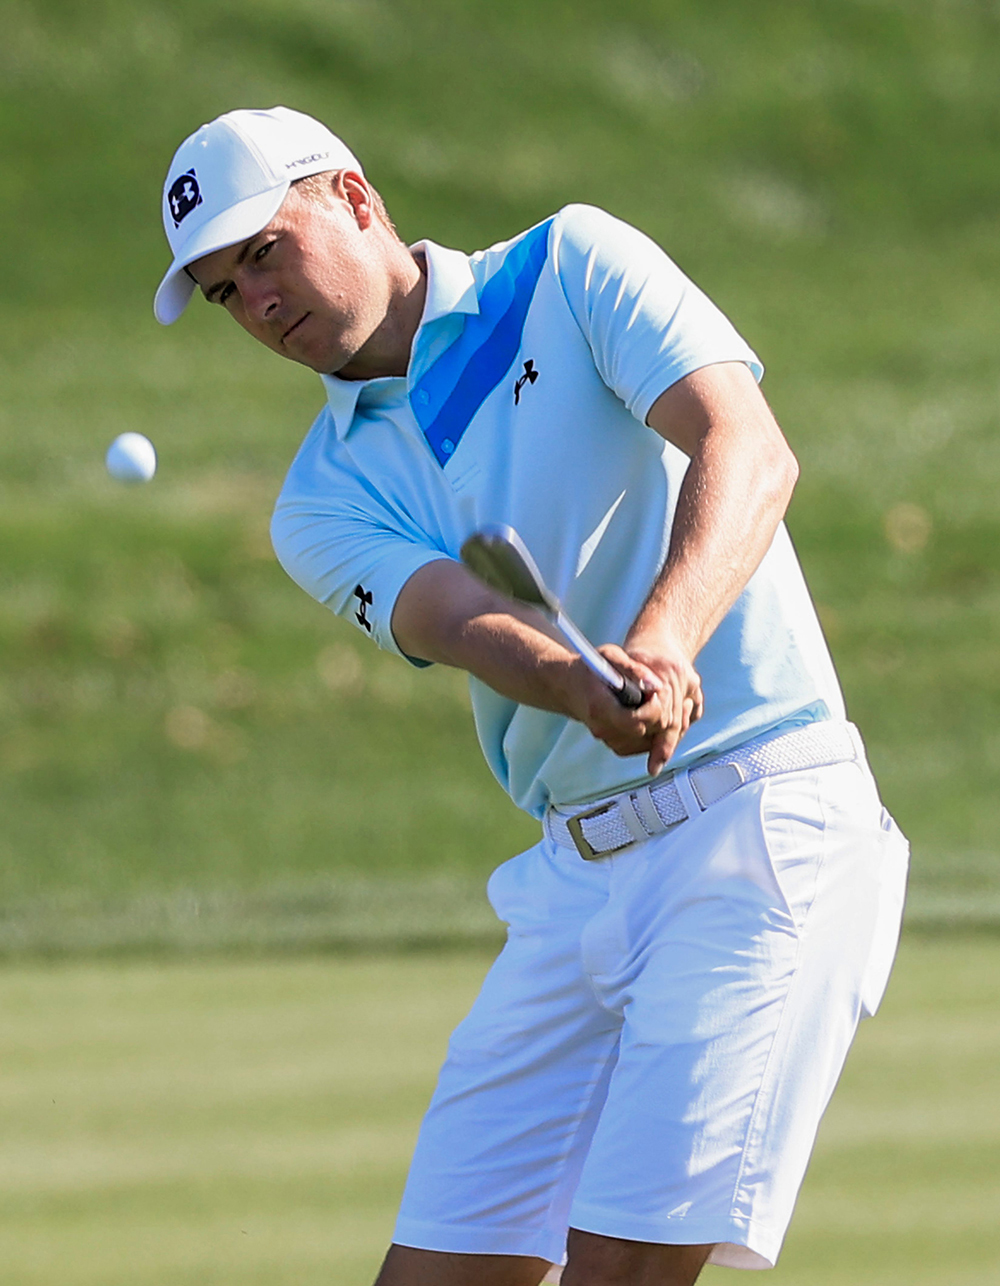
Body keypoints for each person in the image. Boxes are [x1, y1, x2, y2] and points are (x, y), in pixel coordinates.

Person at [154, 106, 909, 1286]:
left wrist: (660, 645)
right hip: (573, 879)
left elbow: (747, 447)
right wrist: (577, 678)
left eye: (263, 250)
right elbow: (458, 619)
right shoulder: (317, 497)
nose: (255, 302)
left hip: (759, 824)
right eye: (220, 290)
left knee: (616, 1273)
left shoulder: (572, 263)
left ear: (354, 197)